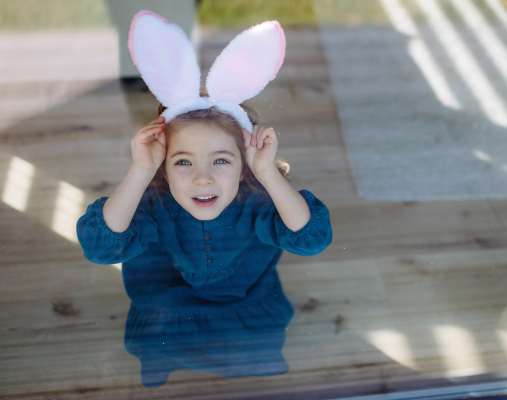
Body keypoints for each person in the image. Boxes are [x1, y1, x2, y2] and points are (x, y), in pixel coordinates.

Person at [76, 12, 332, 388]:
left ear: (244, 163)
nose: (202, 177)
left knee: (256, 348)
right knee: (160, 343)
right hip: (168, 308)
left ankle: (261, 370)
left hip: (245, 304)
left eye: (221, 160)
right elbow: (101, 248)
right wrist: (142, 170)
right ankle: (159, 368)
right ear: (163, 163)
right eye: (183, 161)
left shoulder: (257, 197)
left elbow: (311, 238)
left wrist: (266, 172)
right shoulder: (152, 199)